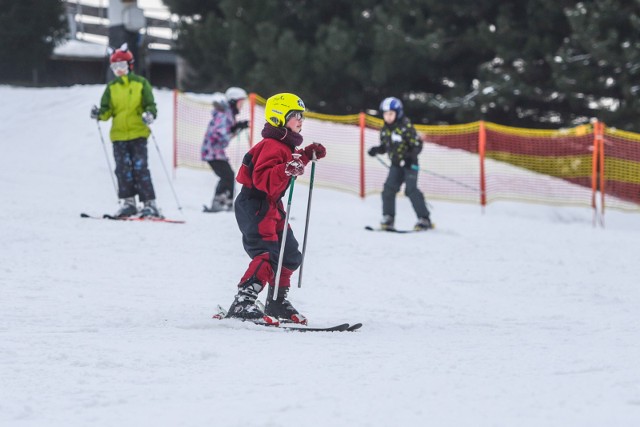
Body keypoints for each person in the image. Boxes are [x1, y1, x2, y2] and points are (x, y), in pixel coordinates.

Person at [222, 93, 326, 325]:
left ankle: (277, 301)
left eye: (302, 116)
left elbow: (288, 164)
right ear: (279, 117)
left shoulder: (284, 145)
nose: (300, 120)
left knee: (289, 255)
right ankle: (243, 300)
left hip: (272, 206)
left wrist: (306, 155)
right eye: (295, 116)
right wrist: (288, 168)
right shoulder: (271, 145)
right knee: (267, 254)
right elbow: (263, 179)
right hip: (255, 204)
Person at [90, 43, 160, 218]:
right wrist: (99, 114)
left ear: (130, 66)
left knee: (140, 168)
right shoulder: (112, 88)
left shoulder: (140, 84)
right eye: (115, 67)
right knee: (122, 169)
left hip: (138, 134)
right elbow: (107, 111)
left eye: (122, 66)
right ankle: (128, 202)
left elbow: (150, 105)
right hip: (119, 136)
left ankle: (149, 204)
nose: (119, 70)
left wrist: (149, 114)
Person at [367, 97, 432, 231]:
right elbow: (385, 146)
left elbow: (417, 145)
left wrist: (410, 157)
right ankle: (388, 218)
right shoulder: (385, 129)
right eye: (385, 114)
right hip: (396, 164)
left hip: (410, 164)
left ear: (398, 113)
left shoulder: (406, 126)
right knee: (388, 189)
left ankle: (424, 219)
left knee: (411, 190)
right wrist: (376, 150)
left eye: (391, 114)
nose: (388, 117)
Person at [201, 87, 249, 212]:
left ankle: (226, 202)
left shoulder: (228, 114)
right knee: (227, 175)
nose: (242, 106)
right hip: (212, 152)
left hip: (216, 152)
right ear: (233, 102)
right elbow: (221, 136)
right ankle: (219, 202)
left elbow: (225, 132)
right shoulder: (224, 115)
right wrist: (235, 130)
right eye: (240, 103)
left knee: (228, 175)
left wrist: (236, 127)